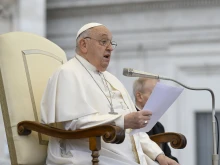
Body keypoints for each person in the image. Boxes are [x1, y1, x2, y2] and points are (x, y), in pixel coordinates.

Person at [41, 22, 179, 165]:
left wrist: (159, 156)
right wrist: (122, 121)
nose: (110, 48)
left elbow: (134, 132)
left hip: (123, 157)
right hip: (88, 155)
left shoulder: (112, 79)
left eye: (111, 42)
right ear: (83, 45)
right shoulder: (68, 73)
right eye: (103, 41)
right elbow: (74, 123)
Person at [133, 78, 178, 163]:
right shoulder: (130, 122)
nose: (160, 99)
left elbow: (167, 155)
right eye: (155, 94)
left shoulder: (158, 126)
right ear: (139, 97)